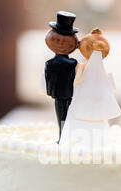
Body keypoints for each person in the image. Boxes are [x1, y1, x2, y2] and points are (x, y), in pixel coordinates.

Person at [59, 29, 121, 148]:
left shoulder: (81, 68)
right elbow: (111, 86)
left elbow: (76, 82)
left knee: (86, 123)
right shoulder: (100, 71)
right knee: (97, 124)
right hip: (96, 106)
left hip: (81, 107)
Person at [44, 11, 79, 142]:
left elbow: (49, 81)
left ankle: (62, 137)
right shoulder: (73, 63)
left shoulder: (49, 63)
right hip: (70, 94)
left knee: (61, 116)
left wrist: (50, 93)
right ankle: (67, 137)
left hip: (58, 95)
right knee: (70, 115)